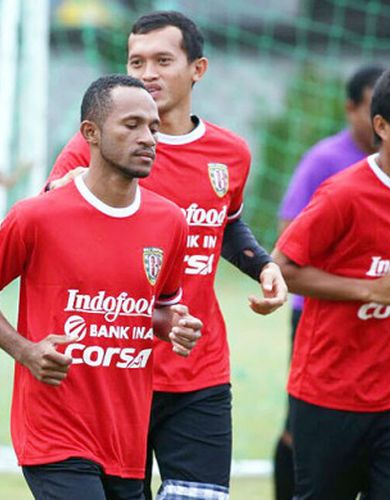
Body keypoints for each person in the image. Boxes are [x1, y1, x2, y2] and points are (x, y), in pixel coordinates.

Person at [45, 11, 287, 498]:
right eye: (137, 61)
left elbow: (225, 224)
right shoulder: (96, 149)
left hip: (199, 368)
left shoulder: (231, 153)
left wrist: (264, 266)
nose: (147, 73)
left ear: (197, 69)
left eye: (162, 60)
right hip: (117, 370)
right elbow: (52, 217)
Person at [0, 74, 203, 500]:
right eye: (131, 125)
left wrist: (173, 326)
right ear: (90, 132)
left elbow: (157, 310)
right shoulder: (37, 216)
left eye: (154, 127)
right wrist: (26, 351)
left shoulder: (170, 221)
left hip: (126, 435)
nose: (148, 138)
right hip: (55, 432)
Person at [274, 65, 390, 499]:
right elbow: (281, 267)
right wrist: (368, 290)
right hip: (329, 394)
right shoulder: (343, 193)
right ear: (382, 126)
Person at [273, 63, 384, 500]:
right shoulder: (325, 160)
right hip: (317, 316)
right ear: (351, 108)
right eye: (374, 107)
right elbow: (289, 232)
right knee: (300, 427)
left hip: (376, 316)